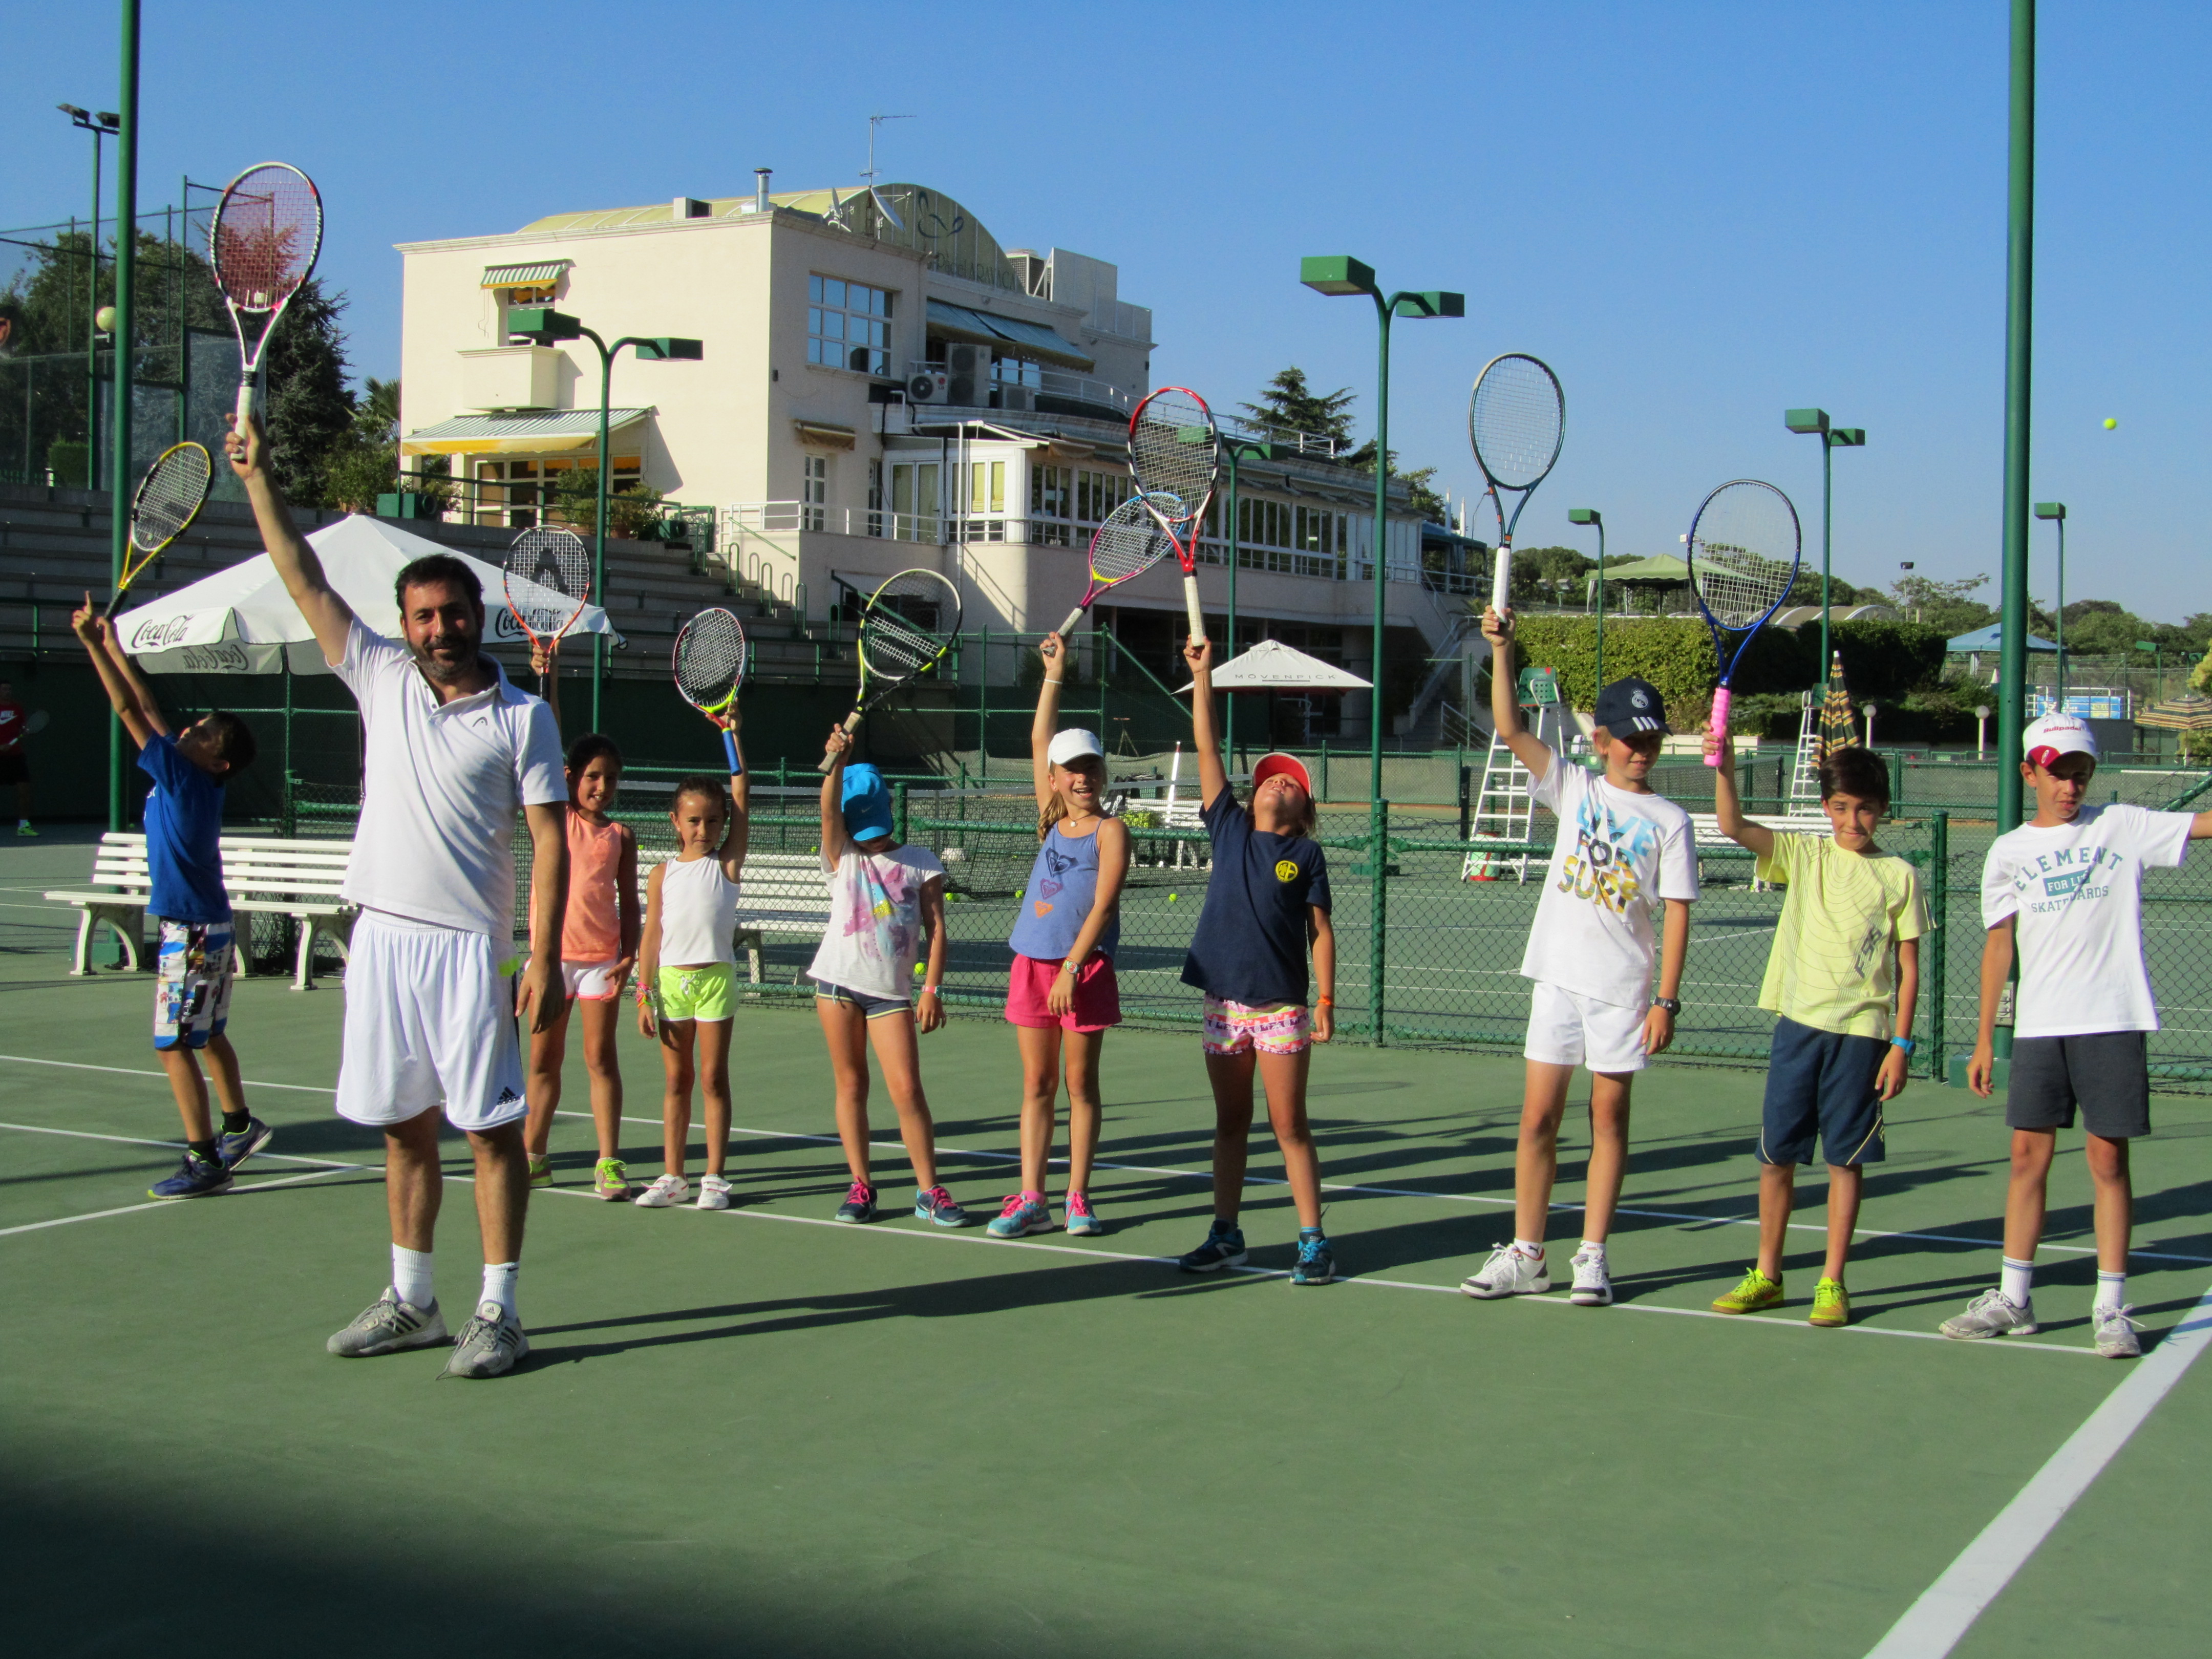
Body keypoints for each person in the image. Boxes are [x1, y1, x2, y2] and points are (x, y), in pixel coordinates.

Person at [227, 412, 568, 1381]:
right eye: (422, 617)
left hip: (469, 951)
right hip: (379, 939)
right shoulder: (378, 672)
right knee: (402, 1127)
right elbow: (303, 576)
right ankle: (413, 1301)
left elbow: (550, 841)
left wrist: (543, 956)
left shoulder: (524, 718)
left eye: (452, 613)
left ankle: (499, 1312)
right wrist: (258, 478)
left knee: (490, 1133)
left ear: (477, 615)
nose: (438, 629)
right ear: (405, 624)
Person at [1941, 712, 2212, 1358]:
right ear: (2029, 773)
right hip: (2041, 1028)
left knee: (2108, 1162)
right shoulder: (2008, 852)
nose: (2071, 786)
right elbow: (1999, 949)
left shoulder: (2121, 826)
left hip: (2113, 1021)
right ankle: (2014, 1298)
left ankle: (2111, 1308)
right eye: (2059, 773)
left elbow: (2204, 825)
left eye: (2081, 774)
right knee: (2026, 1160)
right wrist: (1985, 1040)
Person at [1461, 606, 1696, 1307]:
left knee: (1608, 1121)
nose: (1641, 751)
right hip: (1557, 982)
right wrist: (1503, 651)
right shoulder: (1575, 786)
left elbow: (1677, 912)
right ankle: (1527, 1254)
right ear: (1601, 741)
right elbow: (1510, 728)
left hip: (1623, 992)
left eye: (1651, 740)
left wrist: (1666, 1000)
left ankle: (1592, 1255)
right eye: (1629, 739)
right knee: (1538, 1120)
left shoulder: (1671, 821)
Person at [1703, 737, 1925, 1328]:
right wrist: (1724, 765)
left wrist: (1901, 1046)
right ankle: (1768, 1276)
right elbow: (1731, 825)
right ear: (1826, 806)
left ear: (1883, 809)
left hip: (1862, 1037)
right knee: (1777, 1157)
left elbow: (1909, 968)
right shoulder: (1804, 855)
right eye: (1843, 807)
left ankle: (1833, 1281)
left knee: (1844, 1162)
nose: (1854, 821)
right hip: (1797, 1028)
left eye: (1866, 808)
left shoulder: (1900, 876)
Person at [70, 595, 269, 1198]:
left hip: (192, 931)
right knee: (205, 1035)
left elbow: (128, 708)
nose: (189, 730)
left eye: (203, 733)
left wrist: (91, 647)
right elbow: (150, 707)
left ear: (219, 761)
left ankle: (205, 1159)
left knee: (173, 1044)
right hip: (210, 926)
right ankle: (240, 1125)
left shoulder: (183, 776)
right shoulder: (186, 771)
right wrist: (114, 646)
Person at [1174, 635, 1340, 1285]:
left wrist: (1325, 1000)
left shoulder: (1307, 856)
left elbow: (1320, 932)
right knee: (1231, 1123)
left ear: (1305, 810)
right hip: (1224, 1002)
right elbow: (1208, 749)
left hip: (1283, 1007)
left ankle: (1313, 1241)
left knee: (1289, 1124)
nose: (1277, 781)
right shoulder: (1230, 828)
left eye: (1291, 781)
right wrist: (1203, 677)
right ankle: (1226, 1234)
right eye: (1269, 776)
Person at [989, 632, 1131, 1240]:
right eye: (1071, 770)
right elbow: (1037, 739)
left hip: (1083, 969)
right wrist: (1054, 672)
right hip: (1033, 965)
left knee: (1080, 1086)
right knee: (1038, 1085)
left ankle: (1077, 1198)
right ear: (1054, 778)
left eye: (1090, 767)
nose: (1082, 778)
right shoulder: (1049, 819)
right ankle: (1032, 1198)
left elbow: (1104, 905)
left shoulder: (1111, 830)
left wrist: (1072, 968)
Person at [811, 730, 969, 1228]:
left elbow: (937, 929)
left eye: (877, 825)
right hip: (836, 987)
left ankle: (929, 1190)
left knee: (906, 1090)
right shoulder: (843, 855)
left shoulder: (920, 862)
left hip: (890, 996)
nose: (872, 836)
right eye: (861, 826)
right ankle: (861, 1184)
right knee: (851, 1085)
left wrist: (932, 990)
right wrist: (837, 759)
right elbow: (828, 811)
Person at [519, 645, 642, 1201]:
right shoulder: (556, 819)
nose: (601, 787)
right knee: (543, 1063)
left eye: (611, 778)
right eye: (593, 776)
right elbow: (545, 741)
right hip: (550, 963)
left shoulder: (621, 837)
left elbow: (629, 903)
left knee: (600, 1059)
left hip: (600, 964)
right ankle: (533, 1157)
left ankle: (608, 1163)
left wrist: (630, 954)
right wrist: (548, 677)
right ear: (569, 777)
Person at [631, 719, 750, 1210]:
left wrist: (731, 734)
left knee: (713, 1078)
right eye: (695, 821)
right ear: (675, 822)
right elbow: (652, 935)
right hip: (671, 985)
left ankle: (714, 1177)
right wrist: (644, 992)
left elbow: (741, 789)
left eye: (714, 821)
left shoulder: (727, 863)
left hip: (716, 981)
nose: (705, 830)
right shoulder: (661, 874)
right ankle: (674, 1176)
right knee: (676, 1081)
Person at [0, 676, 34, 835]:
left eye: (9, 689)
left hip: (16, 756)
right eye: (4, 689)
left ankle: (23, 827)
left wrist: (25, 731)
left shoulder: (17, 708)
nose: (7, 692)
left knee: (24, 791)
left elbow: (23, 729)